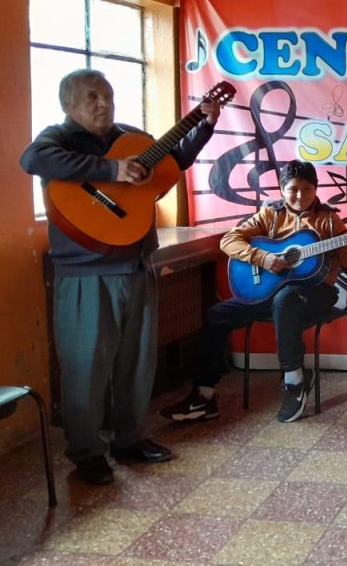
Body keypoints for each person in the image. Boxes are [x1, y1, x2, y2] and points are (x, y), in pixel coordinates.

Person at [21, 69, 220, 486]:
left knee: (137, 362)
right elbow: (32, 160)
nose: (103, 104)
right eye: (92, 97)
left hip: (136, 265)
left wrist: (204, 127)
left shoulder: (130, 136)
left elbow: (173, 161)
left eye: (108, 96)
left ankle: (129, 439)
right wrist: (112, 171)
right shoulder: (57, 139)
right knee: (86, 368)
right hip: (85, 273)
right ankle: (87, 452)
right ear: (68, 103)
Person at [162, 160, 347, 425]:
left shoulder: (328, 220)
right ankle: (204, 395)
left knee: (286, 299)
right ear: (282, 189)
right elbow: (228, 241)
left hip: (317, 293)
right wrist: (263, 258)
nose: (300, 195)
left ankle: (294, 381)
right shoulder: (270, 215)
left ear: (316, 189)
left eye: (307, 189)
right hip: (270, 291)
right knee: (218, 313)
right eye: (293, 189)